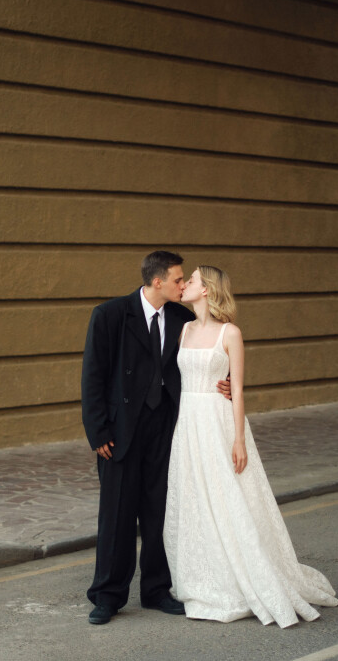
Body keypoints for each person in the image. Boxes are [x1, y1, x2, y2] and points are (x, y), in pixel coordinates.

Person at [163, 266, 338, 627]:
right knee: (195, 497)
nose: (185, 285)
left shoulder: (230, 333)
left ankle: (248, 577)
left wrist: (239, 439)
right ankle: (204, 577)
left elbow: (238, 389)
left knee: (229, 497)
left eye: (191, 280)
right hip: (189, 424)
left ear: (207, 289)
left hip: (219, 422)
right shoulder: (184, 329)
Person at [81, 251, 229, 625]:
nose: (183, 285)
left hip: (167, 427)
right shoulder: (110, 315)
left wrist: (225, 382)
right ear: (157, 281)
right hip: (119, 432)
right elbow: (93, 376)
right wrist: (98, 431)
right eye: (179, 279)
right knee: (116, 515)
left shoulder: (181, 318)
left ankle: (156, 590)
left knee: (161, 512)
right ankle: (107, 596)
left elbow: (210, 351)